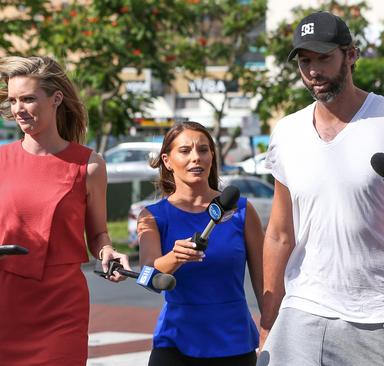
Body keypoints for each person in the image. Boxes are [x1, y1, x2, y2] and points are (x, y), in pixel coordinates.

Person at [257, 11, 384, 366]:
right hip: (302, 309)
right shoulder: (287, 132)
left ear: (351, 55)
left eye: (324, 58)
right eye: (305, 61)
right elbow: (280, 234)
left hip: (379, 318)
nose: (313, 70)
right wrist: (270, 321)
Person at [0, 56, 131, 365]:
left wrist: (108, 251)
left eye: (28, 99)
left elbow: (98, 233)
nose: (18, 109)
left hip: (61, 307)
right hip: (5, 301)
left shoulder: (90, 165)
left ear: (56, 98)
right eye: (13, 100)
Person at [137, 121, 264, 366]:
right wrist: (175, 257)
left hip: (234, 343)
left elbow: (265, 282)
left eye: (203, 150)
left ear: (212, 156)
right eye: (185, 151)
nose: (196, 157)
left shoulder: (242, 211)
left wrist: (270, 328)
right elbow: (146, 276)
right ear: (167, 160)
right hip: (175, 344)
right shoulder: (152, 216)